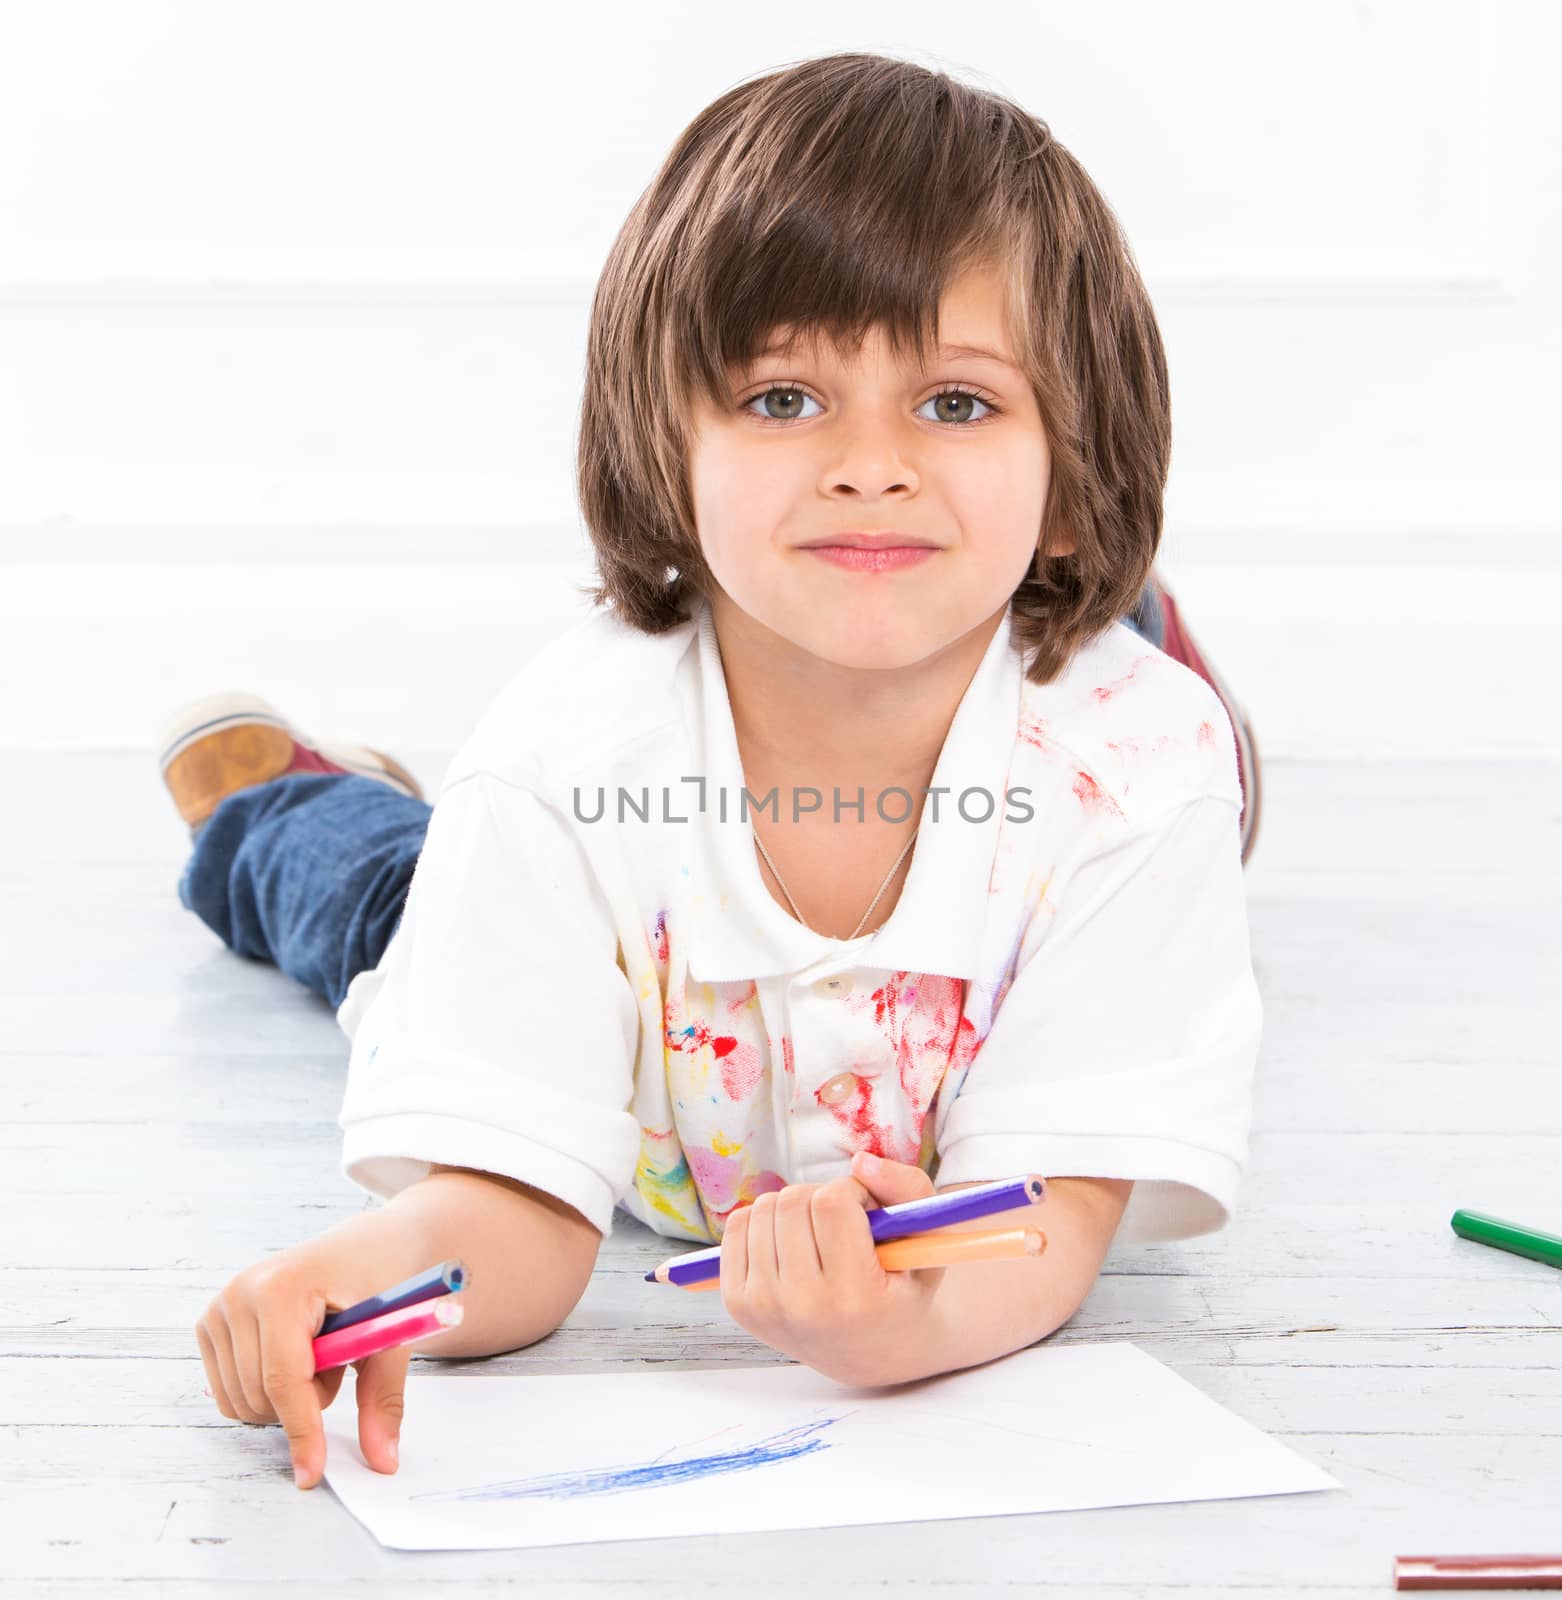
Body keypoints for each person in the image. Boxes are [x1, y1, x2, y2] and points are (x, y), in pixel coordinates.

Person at [168, 51, 1265, 1493]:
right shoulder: (559, 765)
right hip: (593, 955)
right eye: (784, 399)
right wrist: (361, 1275)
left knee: (1184, 768)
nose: (869, 464)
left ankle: (1111, 611)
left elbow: (1051, 1221)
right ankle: (284, 803)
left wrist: (897, 1325)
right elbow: (518, 1214)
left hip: (1066, 738)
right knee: (373, 894)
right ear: (660, 451)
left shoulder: (1138, 767)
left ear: (1074, 473)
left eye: (954, 404)